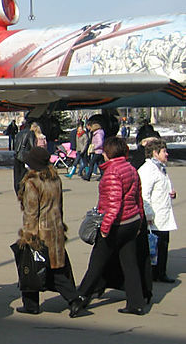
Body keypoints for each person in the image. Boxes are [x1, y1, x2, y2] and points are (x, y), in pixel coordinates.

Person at [71, 136, 150, 317]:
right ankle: (136, 303)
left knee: (96, 263)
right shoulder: (130, 169)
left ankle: (80, 299)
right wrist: (140, 221)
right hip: (132, 221)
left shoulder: (112, 173)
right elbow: (138, 197)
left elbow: (113, 204)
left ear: (109, 153)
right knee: (130, 264)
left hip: (117, 224)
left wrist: (105, 229)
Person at [14, 147, 84, 314]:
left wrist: (29, 235)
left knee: (30, 266)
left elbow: (31, 213)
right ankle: (73, 300)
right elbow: (60, 206)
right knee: (56, 270)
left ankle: (32, 305)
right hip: (55, 229)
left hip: (40, 232)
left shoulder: (32, 183)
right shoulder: (55, 179)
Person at [138, 138, 177, 283]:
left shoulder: (160, 167)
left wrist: (171, 193)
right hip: (154, 216)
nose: (167, 154)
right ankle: (153, 273)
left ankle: (160, 272)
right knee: (153, 245)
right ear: (155, 153)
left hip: (163, 213)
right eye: (164, 151)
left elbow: (161, 187)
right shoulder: (148, 170)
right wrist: (148, 214)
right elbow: (144, 194)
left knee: (163, 244)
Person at [12, 119, 35, 193]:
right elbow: (32, 144)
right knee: (24, 173)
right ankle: (23, 189)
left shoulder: (19, 133)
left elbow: (15, 144)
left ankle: (17, 189)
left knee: (17, 175)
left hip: (17, 154)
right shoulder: (30, 133)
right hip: (24, 155)